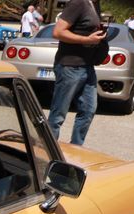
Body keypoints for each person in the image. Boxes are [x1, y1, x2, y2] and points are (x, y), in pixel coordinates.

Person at [48, 0, 106, 145]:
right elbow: (58, 32)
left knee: (88, 110)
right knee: (58, 115)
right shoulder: (78, 3)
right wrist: (87, 39)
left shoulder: (94, 4)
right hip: (70, 66)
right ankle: (45, 151)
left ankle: (76, 148)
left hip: (87, 66)